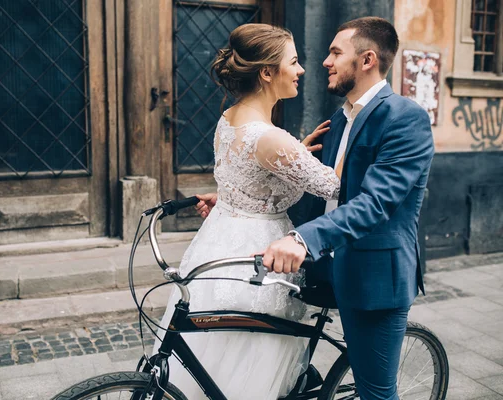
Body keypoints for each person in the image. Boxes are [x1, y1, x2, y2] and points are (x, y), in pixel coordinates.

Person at [153, 23, 341, 399]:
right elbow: (332, 185)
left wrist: (296, 153)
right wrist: (301, 156)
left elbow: (248, 176)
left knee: (219, 351)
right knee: (255, 351)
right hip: (258, 252)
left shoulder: (231, 117)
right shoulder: (272, 139)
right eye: (294, 61)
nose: (302, 69)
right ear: (267, 72)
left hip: (220, 243)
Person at [258, 17, 435, 400]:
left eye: (336, 52)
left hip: (376, 279)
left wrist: (302, 240)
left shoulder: (405, 118)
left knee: (375, 393)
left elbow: (375, 203)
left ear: (367, 59)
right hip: (328, 268)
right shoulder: (339, 118)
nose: (324, 61)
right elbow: (321, 192)